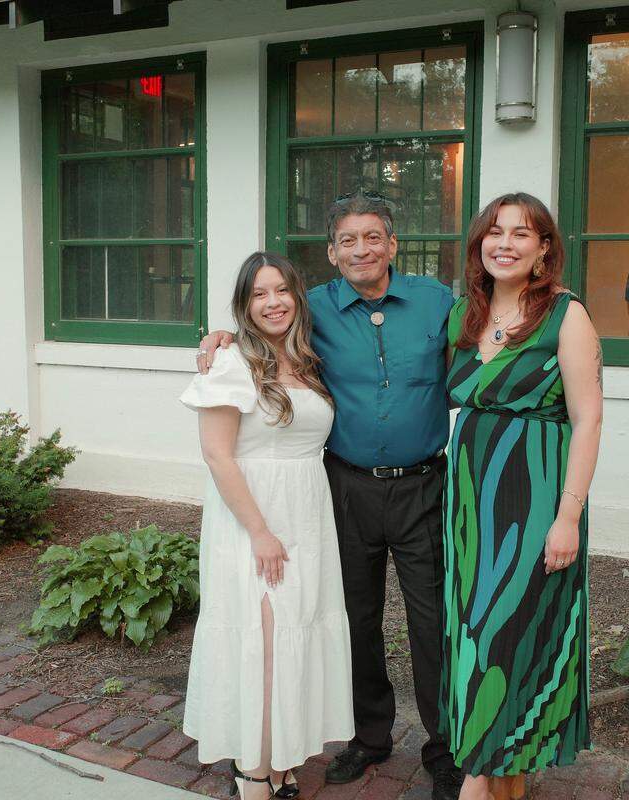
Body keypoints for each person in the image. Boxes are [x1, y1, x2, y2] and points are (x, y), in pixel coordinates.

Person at [198, 190, 464, 800]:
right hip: (342, 489)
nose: (363, 249)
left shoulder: (435, 301)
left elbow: (480, 353)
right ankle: (369, 737)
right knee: (352, 616)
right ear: (332, 252)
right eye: (349, 240)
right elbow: (263, 320)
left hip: (424, 484)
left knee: (432, 620)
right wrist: (220, 337)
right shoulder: (311, 307)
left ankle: (444, 746)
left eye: (374, 237)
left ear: (392, 244)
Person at [441, 193, 603, 800]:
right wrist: (226, 335)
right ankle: (493, 778)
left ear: (542, 251)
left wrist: (568, 517)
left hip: (536, 500)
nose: (504, 243)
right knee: (476, 637)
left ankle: (478, 783)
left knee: (511, 639)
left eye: (522, 233)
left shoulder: (566, 315)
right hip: (471, 506)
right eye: (494, 232)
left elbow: (588, 420)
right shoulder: (461, 315)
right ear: (480, 243)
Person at [180, 252, 354, 800]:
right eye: (259, 294)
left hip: (307, 512)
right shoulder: (231, 363)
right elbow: (217, 456)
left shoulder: (307, 360)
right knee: (262, 644)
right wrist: (259, 531)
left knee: (292, 638)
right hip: (252, 519)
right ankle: (253, 772)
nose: (273, 302)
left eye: (281, 291)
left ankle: (281, 761)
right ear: (243, 305)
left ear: (297, 297)